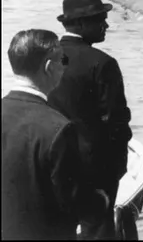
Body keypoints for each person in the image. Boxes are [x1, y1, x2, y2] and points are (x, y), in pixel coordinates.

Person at [2, 29, 110, 240]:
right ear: (49, 67)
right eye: (63, 60)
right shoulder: (58, 128)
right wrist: (101, 202)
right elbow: (75, 200)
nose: (65, 66)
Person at [48, 0, 133, 240]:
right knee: (98, 230)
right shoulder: (102, 63)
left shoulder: (46, 59)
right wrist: (117, 168)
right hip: (94, 169)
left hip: (52, 163)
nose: (106, 25)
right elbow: (117, 122)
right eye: (100, 20)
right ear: (82, 24)